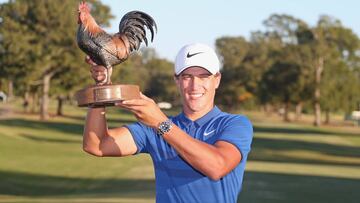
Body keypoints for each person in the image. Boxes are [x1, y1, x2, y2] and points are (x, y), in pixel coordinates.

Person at [83, 43, 253, 203]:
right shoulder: (153, 127)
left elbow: (217, 166)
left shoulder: (234, 124)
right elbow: (96, 144)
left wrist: (161, 123)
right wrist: (101, 87)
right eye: (187, 77)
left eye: (204, 77)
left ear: (217, 80)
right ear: (177, 80)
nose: (195, 85)